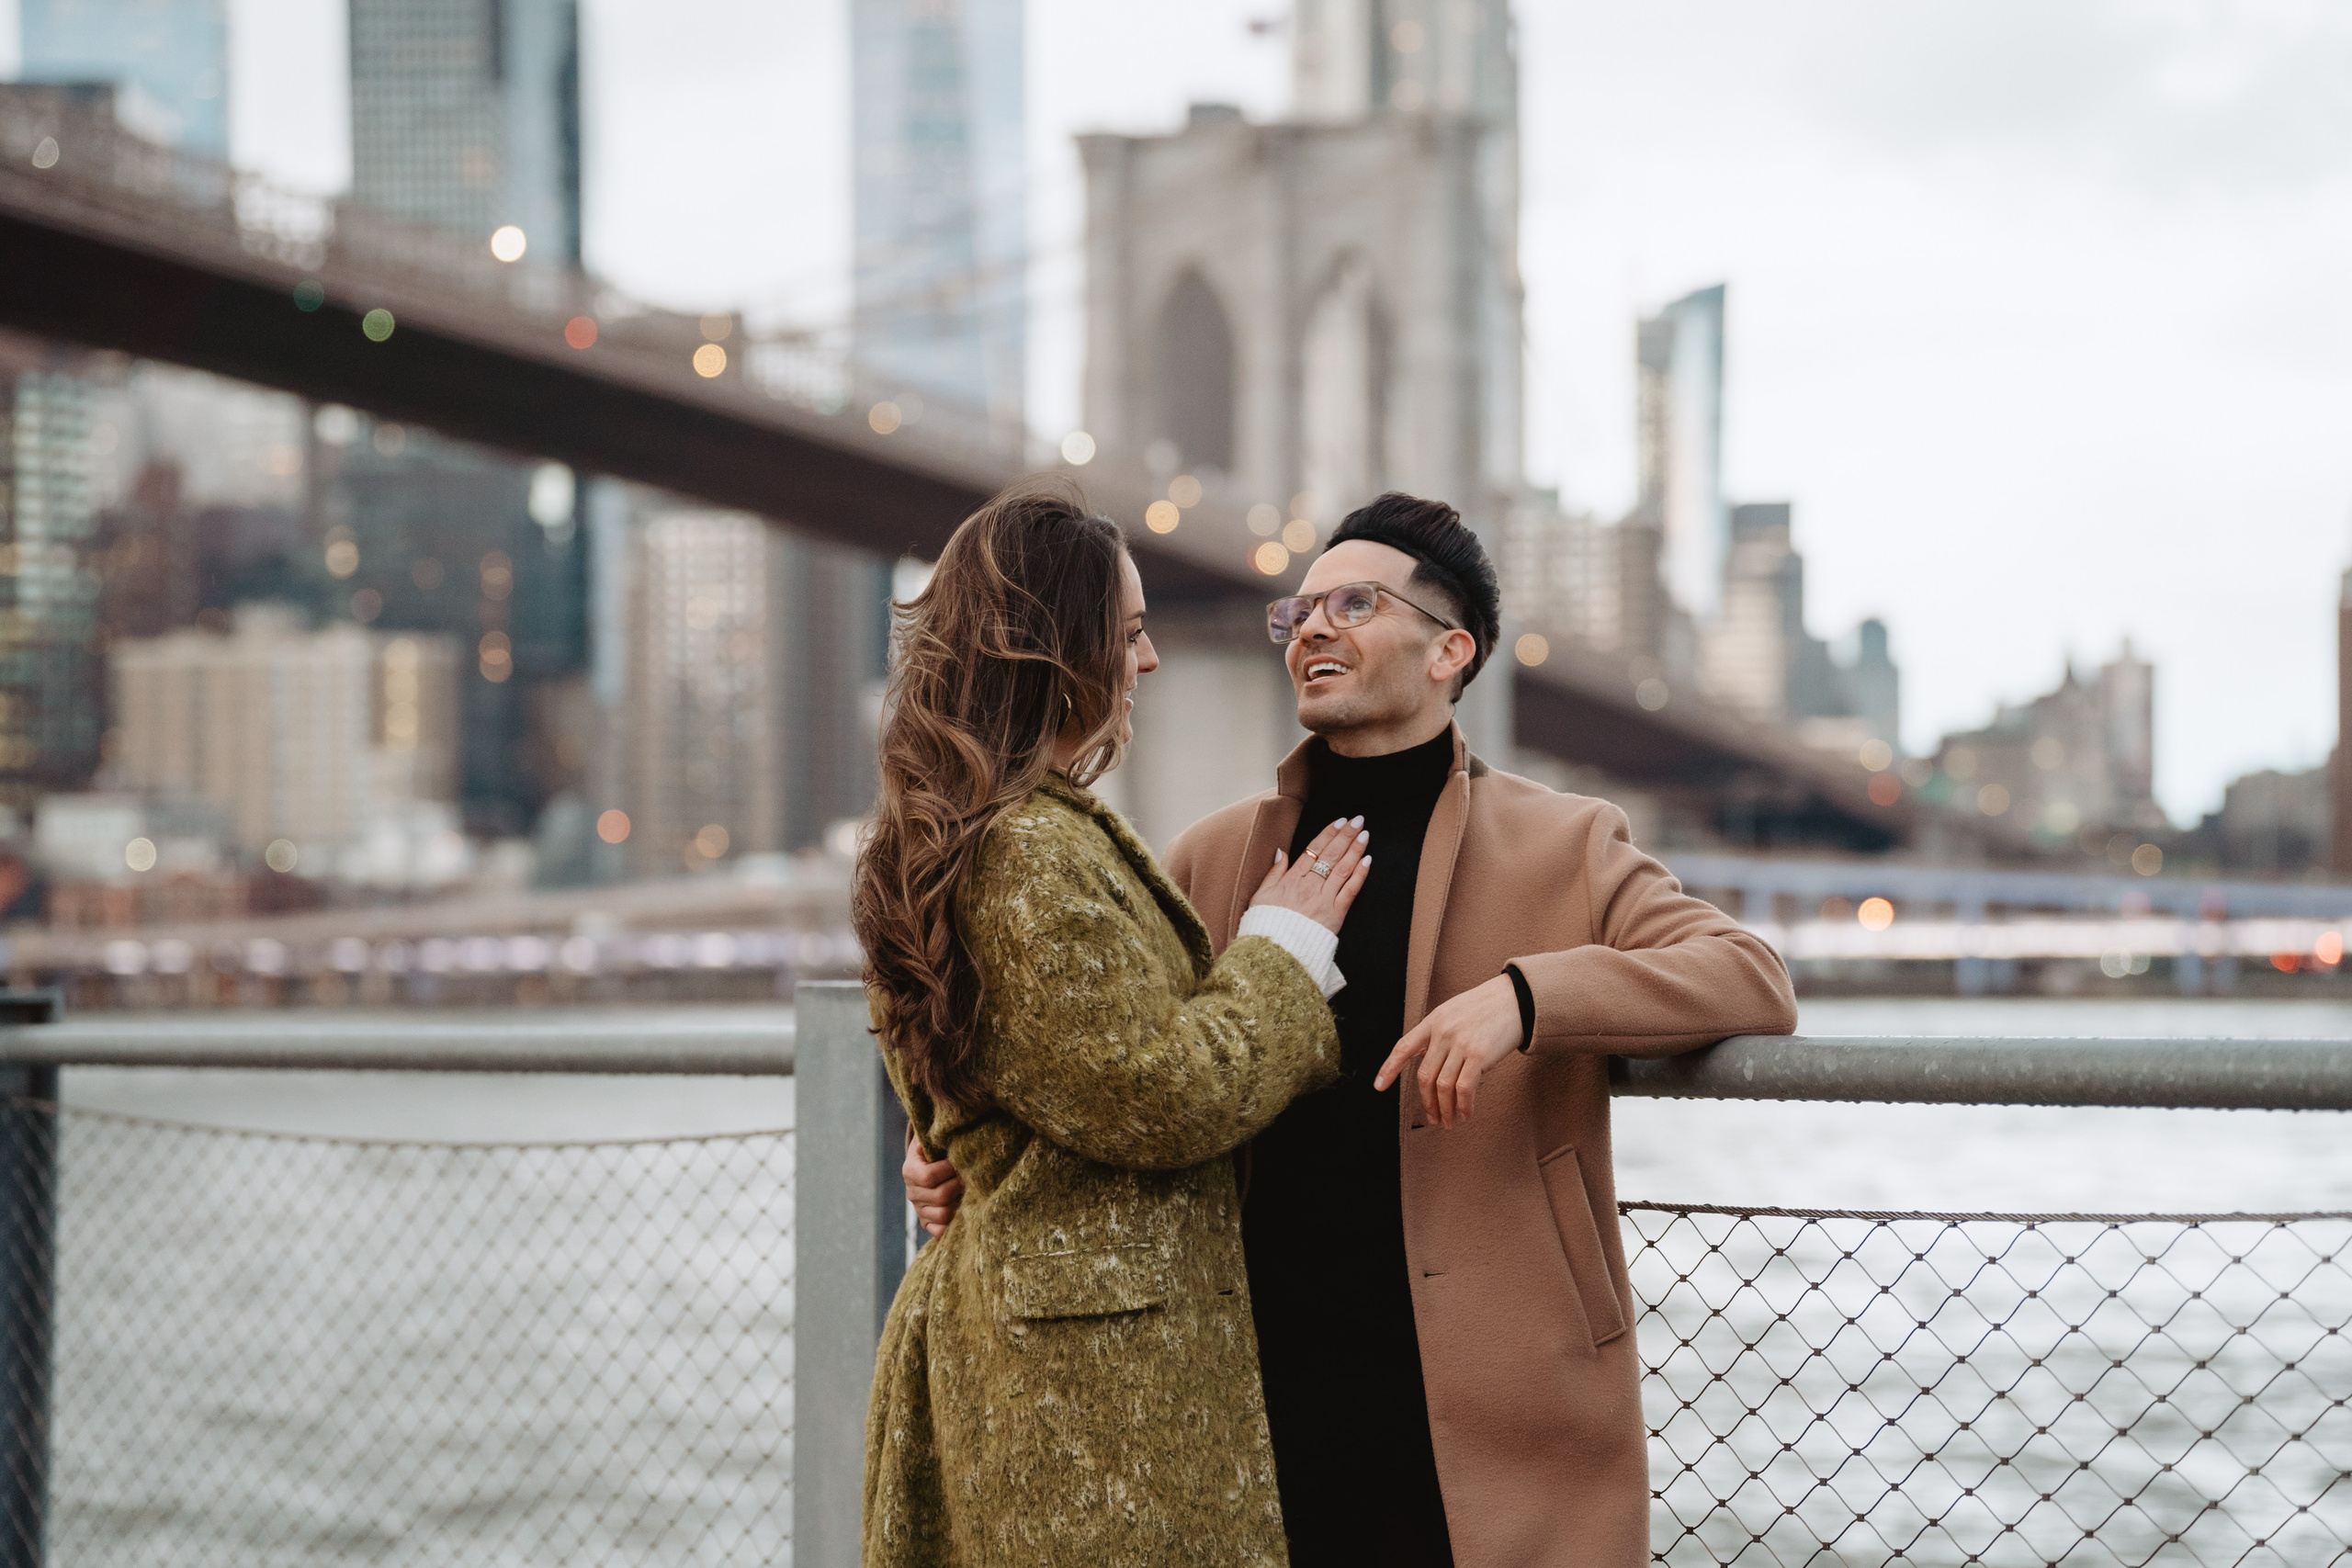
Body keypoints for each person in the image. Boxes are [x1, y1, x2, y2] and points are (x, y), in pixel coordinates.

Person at [906, 492, 1799, 1568]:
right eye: (1300, 611)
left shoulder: (1568, 844)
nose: (1313, 628)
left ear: (1448, 651)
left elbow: (1747, 977)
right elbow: (1115, 1065)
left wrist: (1524, 1000)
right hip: (1255, 1396)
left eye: (1355, 603)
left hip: (1499, 1391)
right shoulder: (1207, 856)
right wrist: (958, 1149)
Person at [854, 478, 1383, 1568]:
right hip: (1086, 1397)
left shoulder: (977, 832)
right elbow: (1155, 1093)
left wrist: (956, 1142)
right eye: (1128, 634)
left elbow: (1030, 1065)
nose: (1146, 663)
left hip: (1044, 1359)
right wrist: (1285, 950)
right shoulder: (1027, 854)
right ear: (1053, 650)